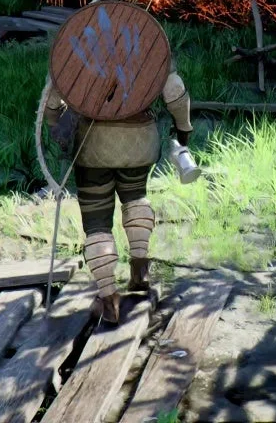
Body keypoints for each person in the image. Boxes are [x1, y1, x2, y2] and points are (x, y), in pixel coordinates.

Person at [42, 68, 193, 323]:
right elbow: (175, 89)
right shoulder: (146, 42)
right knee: (135, 196)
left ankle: (109, 298)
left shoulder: (81, 43)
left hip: (91, 143)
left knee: (97, 220)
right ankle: (140, 268)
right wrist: (183, 129)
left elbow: (53, 94)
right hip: (139, 139)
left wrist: (55, 123)